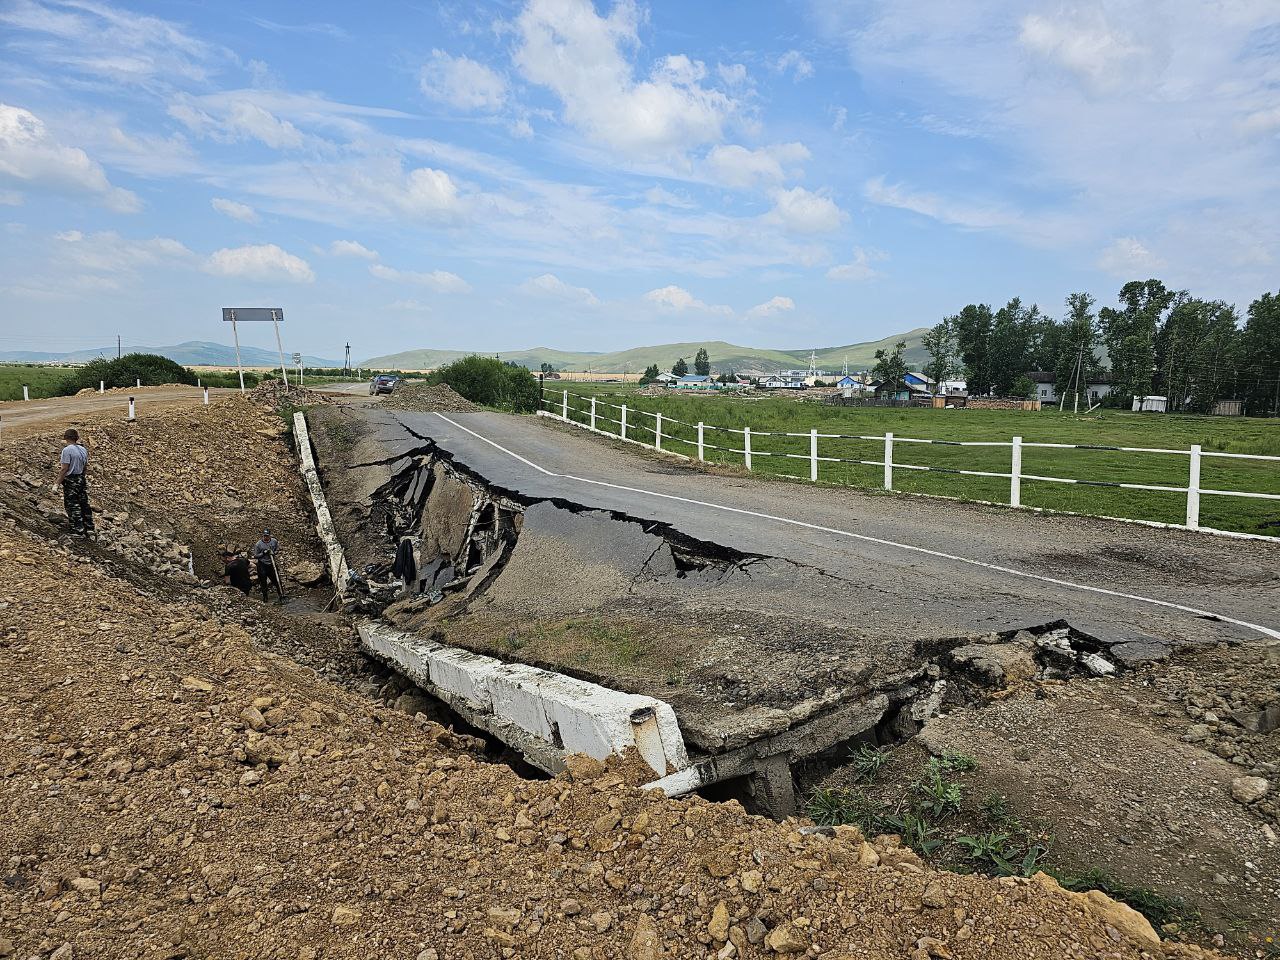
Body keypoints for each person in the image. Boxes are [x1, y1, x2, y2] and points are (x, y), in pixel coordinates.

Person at [54, 428, 95, 537]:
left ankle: (77, 530)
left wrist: (57, 483)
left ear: (66, 438)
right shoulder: (83, 449)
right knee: (84, 503)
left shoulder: (67, 450)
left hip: (71, 480)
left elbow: (64, 469)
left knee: (73, 504)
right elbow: (85, 466)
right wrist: (81, 477)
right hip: (81, 478)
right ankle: (89, 527)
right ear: (76, 438)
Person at [252, 529, 284, 603]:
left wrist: (274, 552)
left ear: (270, 535)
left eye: (267, 536)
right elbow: (256, 556)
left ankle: (281, 594)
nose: (265, 537)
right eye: (264, 536)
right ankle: (265, 598)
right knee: (263, 582)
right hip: (262, 565)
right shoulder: (258, 544)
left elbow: (277, 549)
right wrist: (263, 553)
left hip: (271, 564)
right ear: (263, 536)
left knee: (276, 580)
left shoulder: (274, 541)